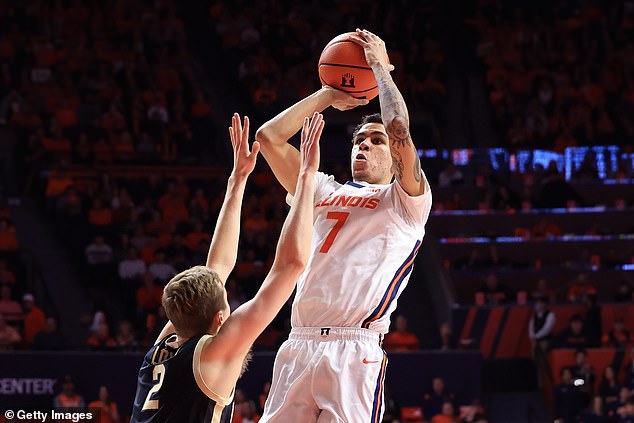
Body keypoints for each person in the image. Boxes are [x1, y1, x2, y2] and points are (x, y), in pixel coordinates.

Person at [256, 29, 432, 422]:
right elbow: (268, 138)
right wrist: (327, 96)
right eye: (358, 140)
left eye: (375, 140)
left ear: (395, 156)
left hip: (355, 349)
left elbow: (399, 127)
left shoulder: (404, 202)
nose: (363, 145)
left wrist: (379, 70)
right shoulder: (319, 188)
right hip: (298, 343)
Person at [130, 112, 321, 422]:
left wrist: (238, 180)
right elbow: (292, 265)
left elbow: (217, 266)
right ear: (220, 319)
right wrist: (306, 178)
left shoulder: (165, 342)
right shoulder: (213, 353)